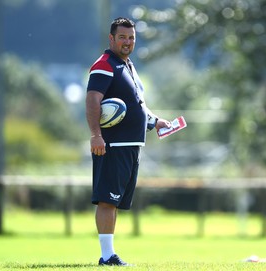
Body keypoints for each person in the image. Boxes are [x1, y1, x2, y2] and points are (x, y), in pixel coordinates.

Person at [85, 17, 171, 266]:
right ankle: (106, 256)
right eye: (122, 37)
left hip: (132, 146)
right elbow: (92, 100)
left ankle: (109, 254)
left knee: (115, 201)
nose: (127, 41)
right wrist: (96, 135)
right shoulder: (104, 64)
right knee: (107, 199)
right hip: (112, 145)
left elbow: (138, 105)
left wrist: (156, 122)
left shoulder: (128, 65)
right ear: (111, 39)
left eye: (131, 37)